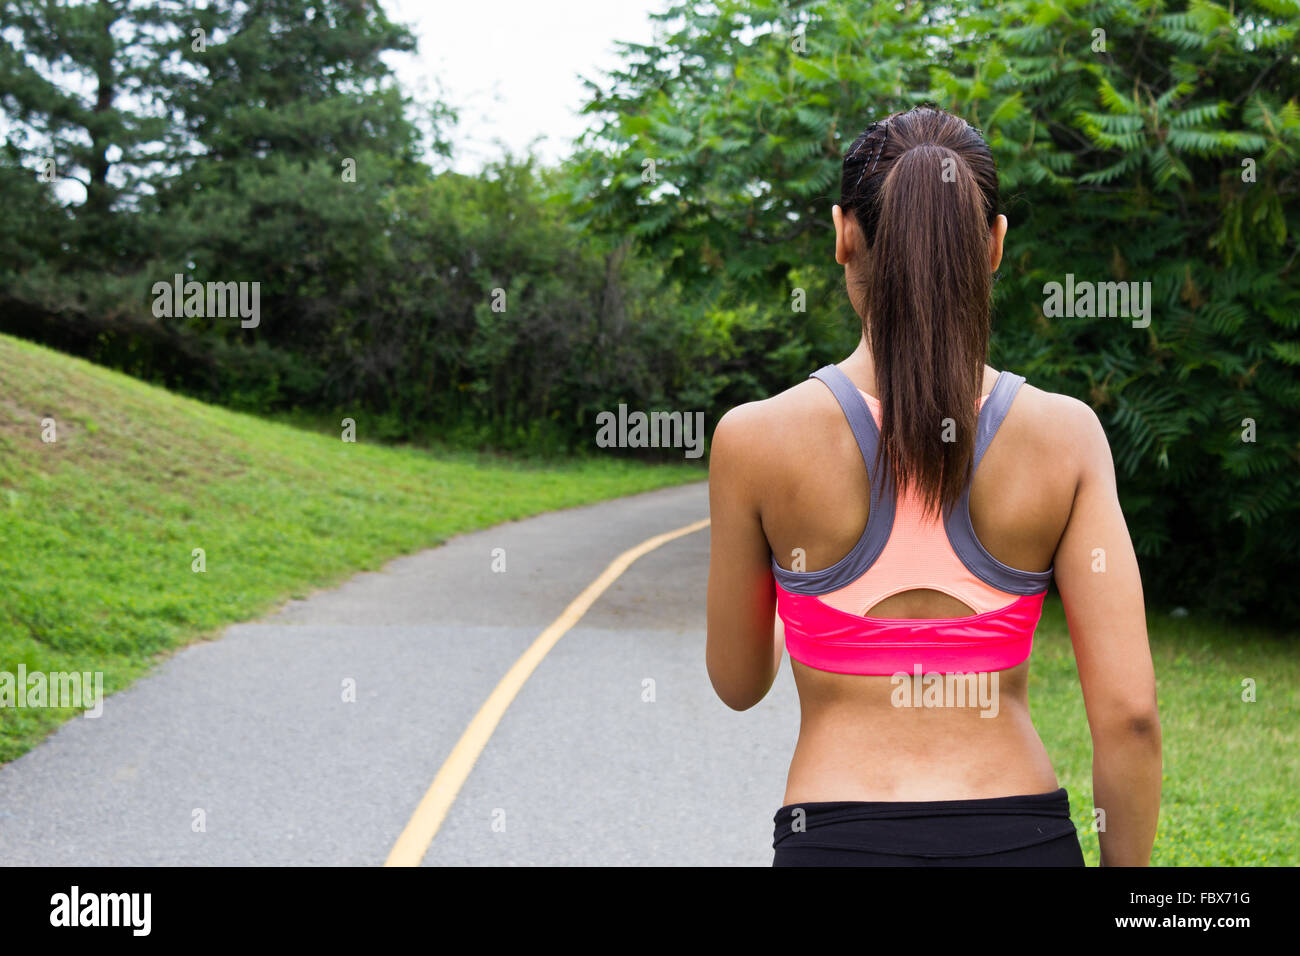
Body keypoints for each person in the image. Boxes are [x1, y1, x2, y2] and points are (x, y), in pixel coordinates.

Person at [705, 105, 1161, 866]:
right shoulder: (1066, 436)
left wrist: (802, 593)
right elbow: (1131, 717)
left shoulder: (755, 440)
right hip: (1022, 838)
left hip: (839, 840)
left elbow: (739, 681)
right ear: (994, 244)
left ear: (843, 232)